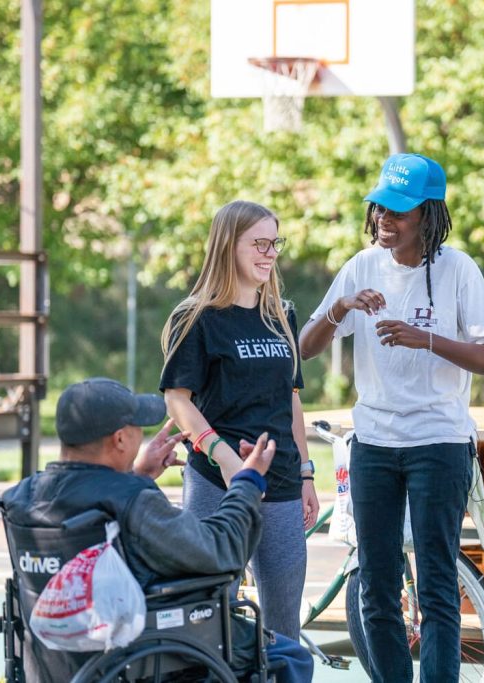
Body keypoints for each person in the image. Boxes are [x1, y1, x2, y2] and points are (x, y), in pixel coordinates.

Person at [299, 153, 484, 682]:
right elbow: (305, 349)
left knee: (437, 585)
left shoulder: (458, 270)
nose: (385, 221)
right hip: (373, 442)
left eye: (399, 211)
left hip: (438, 442)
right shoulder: (362, 265)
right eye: (379, 210)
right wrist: (341, 306)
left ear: (429, 215)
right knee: (376, 583)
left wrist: (427, 339)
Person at [1, 377, 313, 682]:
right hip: (142, 641)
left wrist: (136, 476)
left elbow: (95, 514)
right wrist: (248, 483)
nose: (142, 435)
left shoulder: (25, 495)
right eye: (137, 427)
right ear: (120, 439)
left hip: (56, 649)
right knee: (290, 655)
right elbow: (221, 553)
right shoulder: (132, 500)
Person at [159, 200, 319, 641]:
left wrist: (305, 472)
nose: (269, 253)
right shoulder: (195, 317)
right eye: (259, 243)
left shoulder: (281, 314)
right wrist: (225, 458)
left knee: (284, 628)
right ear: (229, 245)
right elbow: (177, 399)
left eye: (274, 243)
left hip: (281, 483)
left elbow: (290, 399)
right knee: (210, 619)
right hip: (217, 483)